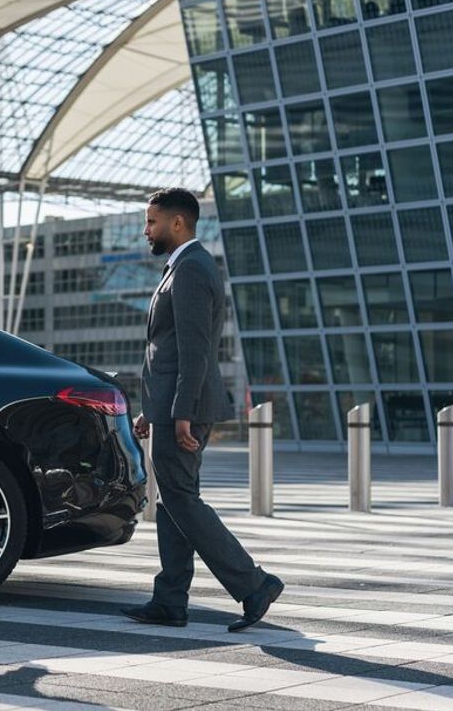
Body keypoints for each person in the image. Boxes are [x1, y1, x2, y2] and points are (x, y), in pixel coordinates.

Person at [122, 188, 283, 633]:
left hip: (184, 408)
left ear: (178, 223)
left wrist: (181, 413)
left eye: (152, 221)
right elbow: (166, 349)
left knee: (182, 500)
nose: (146, 229)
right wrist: (151, 409)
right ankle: (170, 600)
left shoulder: (192, 269)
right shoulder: (182, 267)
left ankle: (254, 583)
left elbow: (196, 351)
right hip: (171, 405)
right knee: (174, 501)